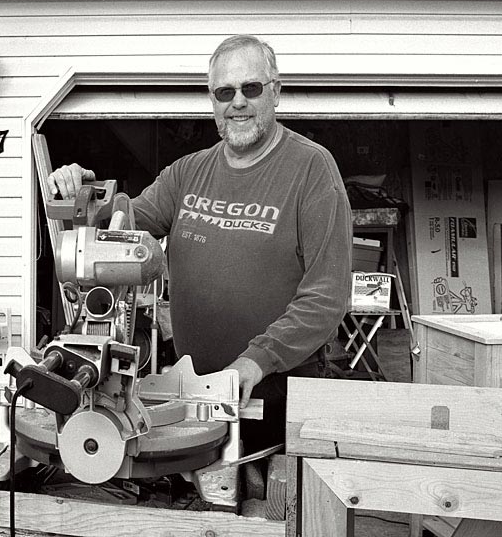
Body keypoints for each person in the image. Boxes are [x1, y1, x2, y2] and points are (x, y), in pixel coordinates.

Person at [48, 34, 353, 453]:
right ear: (212, 101)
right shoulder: (187, 173)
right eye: (225, 92)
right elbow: (122, 228)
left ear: (276, 91)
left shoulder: (311, 169)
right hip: (195, 388)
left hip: (275, 389)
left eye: (251, 88)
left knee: (272, 489)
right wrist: (85, 193)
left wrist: (257, 361)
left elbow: (327, 296)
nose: (238, 102)